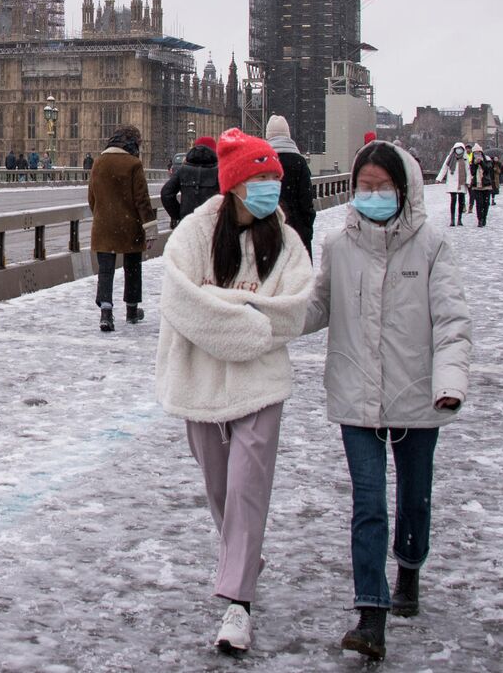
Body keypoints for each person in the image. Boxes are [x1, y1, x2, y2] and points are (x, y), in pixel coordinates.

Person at [303, 139, 472, 660]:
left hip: (417, 391)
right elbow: (315, 308)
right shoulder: (337, 245)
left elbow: (451, 322)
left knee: (414, 497)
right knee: (369, 503)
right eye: (363, 188)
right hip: (356, 391)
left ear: (404, 190)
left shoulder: (432, 246)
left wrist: (450, 382)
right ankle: (371, 614)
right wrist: (260, 321)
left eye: (381, 188)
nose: (371, 196)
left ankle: (410, 566)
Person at [156, 128, 315, 655]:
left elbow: (292, 311)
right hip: (198, 377)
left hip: (260, 382)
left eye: (276, 176)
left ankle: (237, 603)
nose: (274, 185)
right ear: (237, 183)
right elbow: (182, 304)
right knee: (220, 488)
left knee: (248, 484)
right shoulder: (193, 236)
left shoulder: (286, 242)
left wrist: (217, 303)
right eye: (264, 177)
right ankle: (244, 555)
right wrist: (248, 317)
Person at [87, 124, 155, 331]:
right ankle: (132, 309)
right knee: (132, 268)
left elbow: (92, 197)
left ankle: (106, 313)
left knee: (105, 271)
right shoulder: (133, 164)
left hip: (104, 226)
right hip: (130, 226)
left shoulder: (98, 162)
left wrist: (102, 215)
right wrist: (150, 227)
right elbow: (141, 199)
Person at [264, 116, 317, 259]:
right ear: (288, 135)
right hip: (297, 230)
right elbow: (307, 201)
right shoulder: (299, 161)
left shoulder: (263, 160)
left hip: (268, 231)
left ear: (268, 136)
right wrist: (306, 230)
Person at [161, 135, 220, 228]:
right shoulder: (220, 171)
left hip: (188, 225)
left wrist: (179, 213)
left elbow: (166, 194)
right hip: (212, 225)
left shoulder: (183, 170)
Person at [434, 143, 469, 227]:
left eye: (460, 148)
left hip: (462, 182)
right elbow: (444, 168)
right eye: (457, 148)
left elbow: (468, 170)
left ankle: (459, 219)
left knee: (461, 201)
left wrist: (468, 181)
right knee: (453, 200)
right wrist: (439, 178)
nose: (458, 150)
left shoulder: (465, 158)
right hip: (452, 182)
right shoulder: (450, 158)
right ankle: (452, 219)